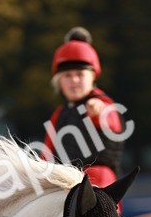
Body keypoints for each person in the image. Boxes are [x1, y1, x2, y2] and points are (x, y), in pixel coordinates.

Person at [43, 28, 127, 186]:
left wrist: (97, 110)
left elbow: (110, 120)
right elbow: (46, 154)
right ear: (58, 82)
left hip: (99, 182)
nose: (74, 80)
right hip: (66, 183)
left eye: (80, 74)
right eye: (67, 75)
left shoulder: (103, 104)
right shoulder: (59, 114)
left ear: (93, 76)